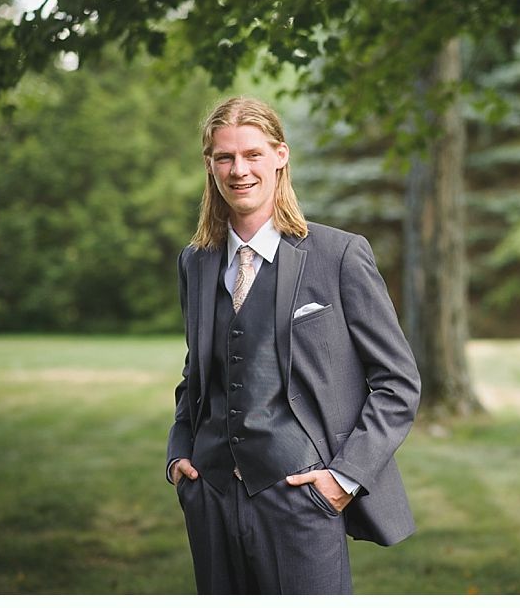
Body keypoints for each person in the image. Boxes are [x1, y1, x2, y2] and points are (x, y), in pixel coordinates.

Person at [166, 96, 421, 594]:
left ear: (280, 155)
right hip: (212, 497)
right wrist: (179, 456)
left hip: (302, 499)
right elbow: (197, 376)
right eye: (225, 157)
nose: (239, 170)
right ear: (210, 165)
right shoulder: (196, 262)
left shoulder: (339, 255)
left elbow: (397, 383)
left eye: (253, 154)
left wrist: (343, 478)